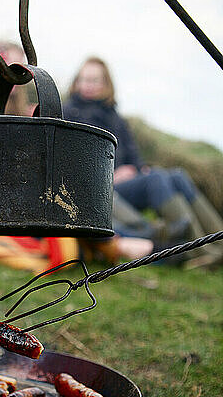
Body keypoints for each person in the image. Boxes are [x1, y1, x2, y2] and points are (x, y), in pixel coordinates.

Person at [63, 57, 223, 266]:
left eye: (94, 80)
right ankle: (199, 251)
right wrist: (109, 174)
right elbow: (71, 163)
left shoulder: (116, 118)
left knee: (176, 176)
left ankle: (218, 240)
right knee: (156, 178)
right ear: (76, 81)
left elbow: (133, 156)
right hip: (98, 188)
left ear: (106, 84)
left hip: (125, 185)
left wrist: (138, 169)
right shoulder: (68, 113)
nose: (88, 85)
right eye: (84, 79)